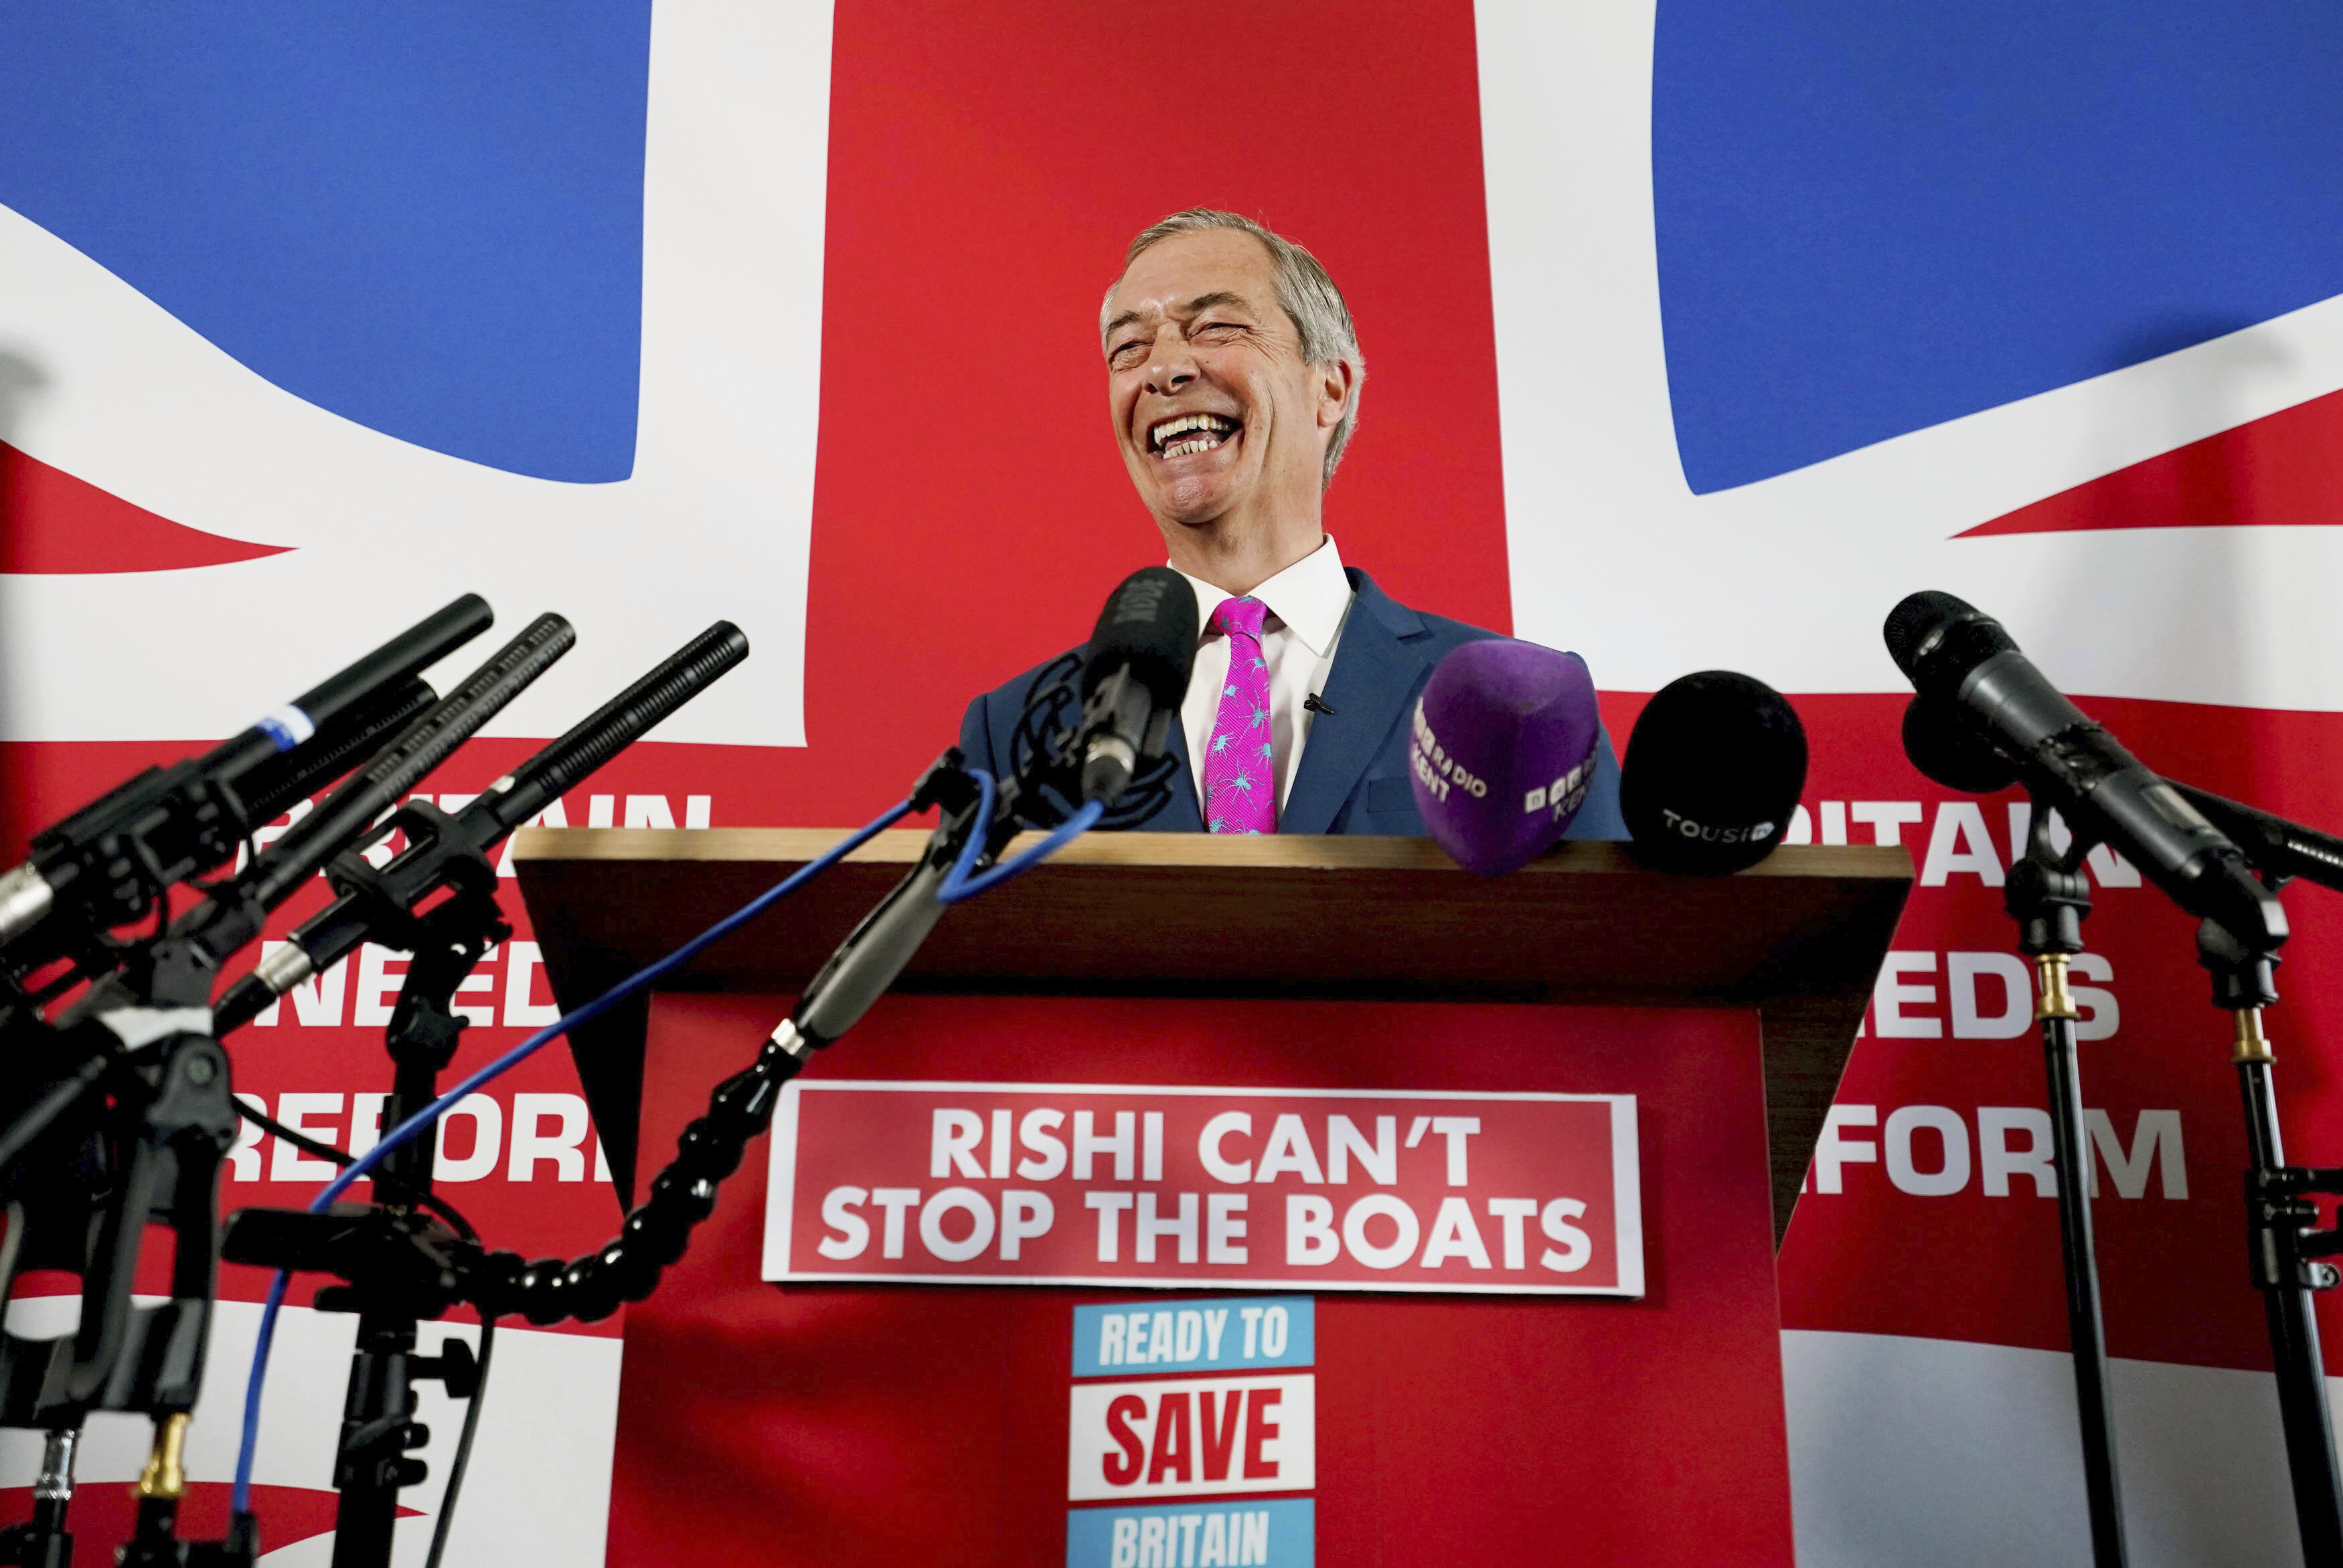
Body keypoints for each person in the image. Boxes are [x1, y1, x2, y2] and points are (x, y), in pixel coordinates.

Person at [959, 208, 1623, 838]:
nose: (1162, 369)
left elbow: (1609, 941)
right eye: (1128, 347)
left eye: (1216, 327)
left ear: (1329, 388)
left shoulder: (1522, 706)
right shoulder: (1017, 729)